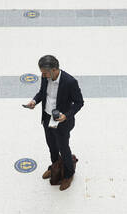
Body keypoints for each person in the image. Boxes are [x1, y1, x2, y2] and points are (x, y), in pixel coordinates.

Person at [25, 55, 84, 191]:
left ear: (54, 70)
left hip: (62, 122)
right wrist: (34, 101)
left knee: (63, 148)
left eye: (45, 73)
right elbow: (42, 93)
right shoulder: (45, 77)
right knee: (51, 146)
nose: (43, 76)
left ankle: (68, 174)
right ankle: (55, 167)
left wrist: (66, 116)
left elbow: (79, 102)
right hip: (47, 118)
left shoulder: (70, 82)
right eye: (42, 73)